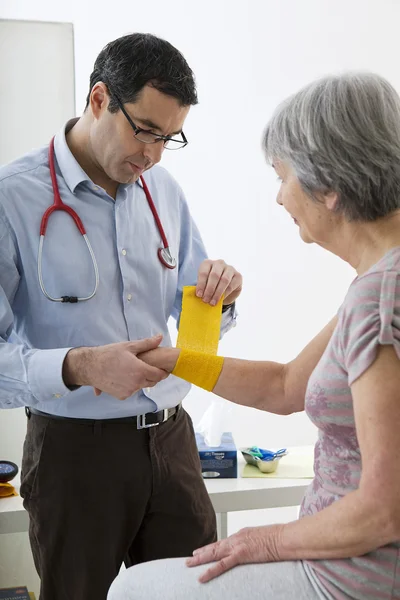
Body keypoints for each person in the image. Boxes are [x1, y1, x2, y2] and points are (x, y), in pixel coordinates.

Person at [108, 72, 400, 600]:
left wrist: (267, 541)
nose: (279, 198)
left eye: (282, 175)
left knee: (133, 590)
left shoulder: (380, 298)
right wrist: (173, 360)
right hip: (352, 564)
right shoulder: (380, 280)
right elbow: (285, 386)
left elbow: (386, 507)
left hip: (351, 578)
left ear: (329, 186)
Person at [0, 33, 243, 600]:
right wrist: (78, 366)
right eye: (144, 130)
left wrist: (221, 296)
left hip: (171, 443)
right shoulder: (13, 198)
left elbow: (198, 311)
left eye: (169, 137)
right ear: (100, 99)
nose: (153, 154)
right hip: (73, 453)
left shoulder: (162, 190)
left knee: (199, 593)